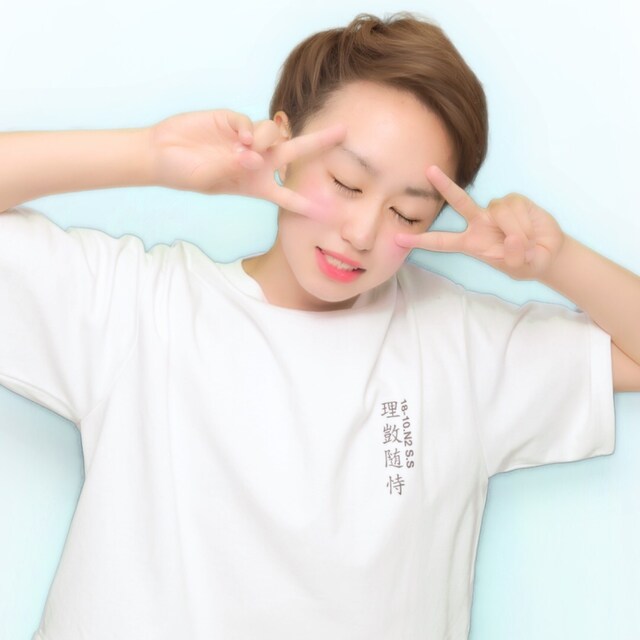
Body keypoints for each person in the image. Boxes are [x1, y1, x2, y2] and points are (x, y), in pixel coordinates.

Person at [0, 11, 638, 640]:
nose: (361, 233)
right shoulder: (141, 306)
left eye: (408, 215)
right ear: (282, 144)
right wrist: (150, 155)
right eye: (346, 182)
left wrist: (557, 262)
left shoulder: (457, 344)